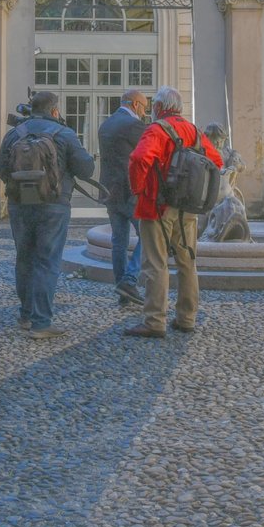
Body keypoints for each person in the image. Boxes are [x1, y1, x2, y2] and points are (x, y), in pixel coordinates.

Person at [124, 86, 223, 339]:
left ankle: (155, 321)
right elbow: (217, 162)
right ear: (178, 108)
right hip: (187, 209)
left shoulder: (157, 129)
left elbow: (139, 158)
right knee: (187, 263)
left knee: (155, 263)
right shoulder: (194, 131)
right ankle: (186, 318)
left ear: (158, 107)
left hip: (156, 206)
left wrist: (138, 188)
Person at [0, 90, 93, 339]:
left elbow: (1, 168)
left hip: (19, 203)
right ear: (54, 110)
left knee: (24, 257)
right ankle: (41, 322)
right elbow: (86, 169)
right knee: (47, 260)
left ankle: (26, 314)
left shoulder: (14, 133)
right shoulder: (64, 133)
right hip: (53, 204)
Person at [97, 89, 148, 308]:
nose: (145, 113)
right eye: (144, 107)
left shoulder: (106, 124)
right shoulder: (133, 126)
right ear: (136, 105)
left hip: (109, 190)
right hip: (130, 191)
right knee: (148, 235)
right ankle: (129, 280)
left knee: (119, 241)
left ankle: (122, 290)